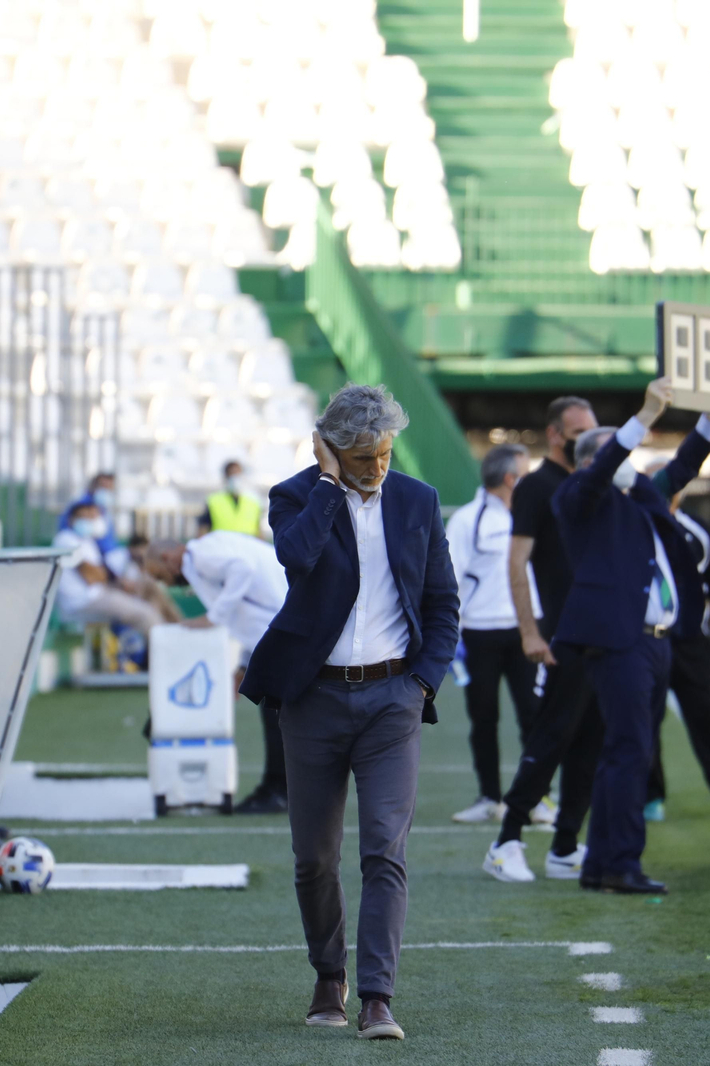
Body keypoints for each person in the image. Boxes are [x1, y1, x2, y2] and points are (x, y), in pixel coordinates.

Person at [239, 383, 458, 1040]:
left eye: (385, 453)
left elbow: (443, 601)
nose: (378, 467)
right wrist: (333, 487)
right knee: (313, 856)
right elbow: (296, 558)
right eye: (363, 458)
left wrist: (423, 681)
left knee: (385, 850)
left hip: (394, 698)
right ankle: (326, 974)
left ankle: (376, 997)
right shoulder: (296, 496)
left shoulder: (418, 500)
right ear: (330, 450)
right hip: (313, 700)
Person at [553, 373, 710, 895]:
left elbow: (682, 466)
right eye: (624, 456)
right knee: (631, 751)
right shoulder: (579, 495)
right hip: (622, 640)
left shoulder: (638, 499)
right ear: (599, 458)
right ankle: (620, 863)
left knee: (629, 750)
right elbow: (603, 471)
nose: (634, 465)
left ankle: (602, 865)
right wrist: (646, 415)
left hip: (659, 639)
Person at [480, 396, 603, 881]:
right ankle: (506, 839)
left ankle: (566, 844)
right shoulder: (535, 487)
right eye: (579, 435)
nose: (589, 444)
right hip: (561, 635)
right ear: (555, 435)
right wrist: (530, 631)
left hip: (599, 635)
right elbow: (517, 563)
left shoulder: (591, 484)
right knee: (551, 737)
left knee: (590, 740)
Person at [143, 531, 291, 815]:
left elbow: (243, 570)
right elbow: (251, 612)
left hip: (283, 631)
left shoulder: (200, 556)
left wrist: (213, 617)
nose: (167, 584)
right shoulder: (205, 555)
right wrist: (245, 666)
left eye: (161, 576)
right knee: (277, 711)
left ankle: (278, 791)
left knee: (277, 713)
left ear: (167, 557)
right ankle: (279, 789)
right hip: (277, 631)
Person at [444, 443, 541, 823]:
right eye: (525, 473)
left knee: (534, 716)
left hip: (526, 632)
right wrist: (453, 635)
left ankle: (535, 799)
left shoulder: (532, 514)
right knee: (484, 718)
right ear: (509, 478)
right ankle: (489, 797)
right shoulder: (469, 520)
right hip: (479, 634)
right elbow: (450, 578)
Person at [644, 464, 710, 818]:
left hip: (692, 642)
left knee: (708, 717)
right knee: (644, 721)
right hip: (646, 640)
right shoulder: (633, 526)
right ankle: (650, 796)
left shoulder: (697, 531)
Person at [52, 501, 170, 637]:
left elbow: (100, 574)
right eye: (84, 517)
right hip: (83, 602)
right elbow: (92, 576)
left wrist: (118, 583)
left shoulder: (86, 541)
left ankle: (176, 630)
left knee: (150, 592)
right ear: (71, 520)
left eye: (92, 517)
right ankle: (161, 654)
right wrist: (116, 582)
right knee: (146, 615)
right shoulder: (66, 539)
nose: (89, 521)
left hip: (97, 596)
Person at [200, 460, 264, 536]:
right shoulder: (213, 501)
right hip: (221, 545)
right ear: (226, 477)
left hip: (247, 546)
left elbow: (259, 530)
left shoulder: (253, 502)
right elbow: (203, 528)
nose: (235, 478)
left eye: (237, 474)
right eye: (232, 474)